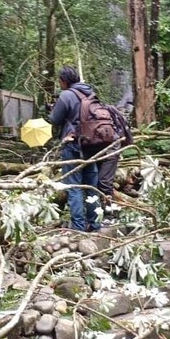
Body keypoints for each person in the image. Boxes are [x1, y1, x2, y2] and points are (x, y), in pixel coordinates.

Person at [49, 66, 101, 232]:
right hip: (92, 146)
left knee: (74, 187)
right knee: (92, 187)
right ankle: (95, 225)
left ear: (64, 81)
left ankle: (78, 228)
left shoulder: (66, 95)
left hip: (73, 146)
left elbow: (54, 119)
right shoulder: (90, 93)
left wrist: (51, 109)